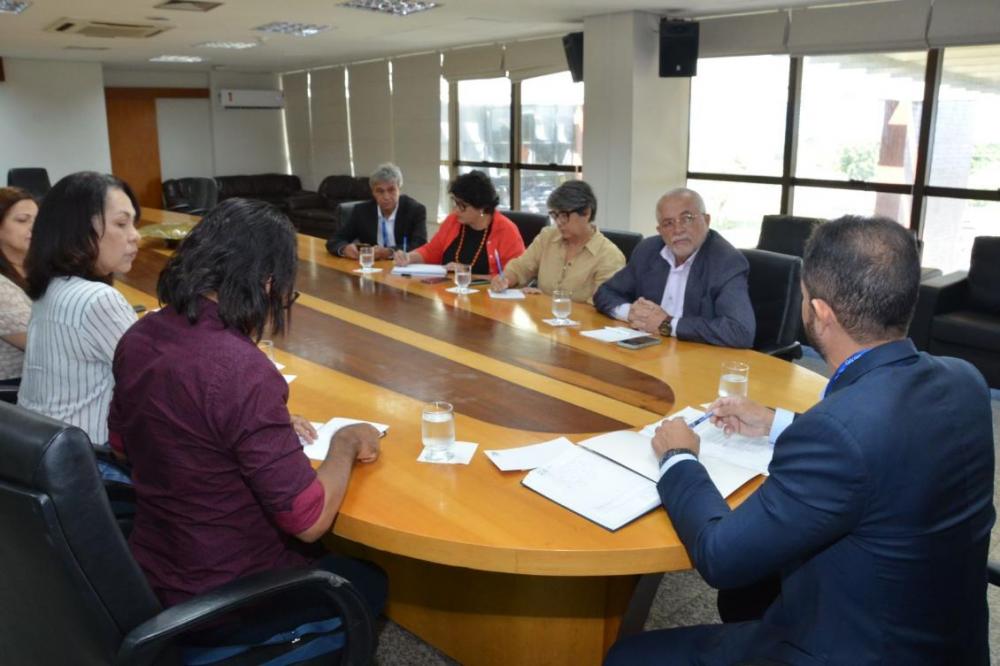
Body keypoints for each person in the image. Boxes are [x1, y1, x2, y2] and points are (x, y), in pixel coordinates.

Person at [605, 216, 995, 665]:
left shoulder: (838, 431)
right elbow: (887, 440)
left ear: (821, 314)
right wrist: (778, 422)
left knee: (628, 655)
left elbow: (719, 556)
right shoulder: (965, 381)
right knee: (750, 594)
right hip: (950, 641)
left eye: (806, 296)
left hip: (856, 647)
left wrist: (679, 457)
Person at [107, 198, 386, 641]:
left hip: (151, 570)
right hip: (225, 595)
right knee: (367, 579)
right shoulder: (242, 370)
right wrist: (346, 444)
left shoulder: (140, 336)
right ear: (267, 282)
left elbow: (122, 445)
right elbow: (308, 521)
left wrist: (249, 427)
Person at [18, 172, 140, 451]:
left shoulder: (52, 287)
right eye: (122, 223)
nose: (135, 236)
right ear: (79, 229)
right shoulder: (98, 299)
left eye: (134, 223)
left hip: (39, 455)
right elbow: (158, 379)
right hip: (92, 461)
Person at [593, 187, 754, 348]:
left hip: (695, 358)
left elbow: (740, 331)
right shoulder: (648, 250)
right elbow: (605, 293)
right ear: (660, 231)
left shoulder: (726, 261)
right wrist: (632, 313)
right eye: (668, 223)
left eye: (687, 218)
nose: (678, 229)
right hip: (648, 350)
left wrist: (667, 324)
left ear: (706, 220)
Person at [489, 180, 625, 303]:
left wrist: (547, 302)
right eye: (555, 215)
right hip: (542, 323)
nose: (559, 222)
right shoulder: (547, 237)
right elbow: (521, 267)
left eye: (564, 216)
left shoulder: (609, 256)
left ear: (586, 212)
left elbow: (601, 307)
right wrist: (506, 279)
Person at [394, 170, 524, 276]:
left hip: (487, 302)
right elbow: (431, 251)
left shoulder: (506, 231)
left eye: (462, 206)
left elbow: (514, 276)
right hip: (449, 296)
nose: (456, 210)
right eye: (455, 203)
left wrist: (467, 273)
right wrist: (409, 257)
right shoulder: (453, 221)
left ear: (482, 207)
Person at [326, 162, 428, 260]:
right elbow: (335, 240)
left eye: (391, 190)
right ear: (373, 192)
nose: (386, 197)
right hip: (371, 267)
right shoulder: (361, 211)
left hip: (403, 267)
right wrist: (344, 249)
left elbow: (420, 245)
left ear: (399, 189)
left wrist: (389, 252)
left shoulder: (415, 210)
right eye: (380, 191)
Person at [0, 187, 37, 385]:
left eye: (37, 220)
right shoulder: (1, 288)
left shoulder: (35, 266)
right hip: (14, 391)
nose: (34, 227)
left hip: (43, 376)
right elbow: (42, 344)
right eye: (23, 220)